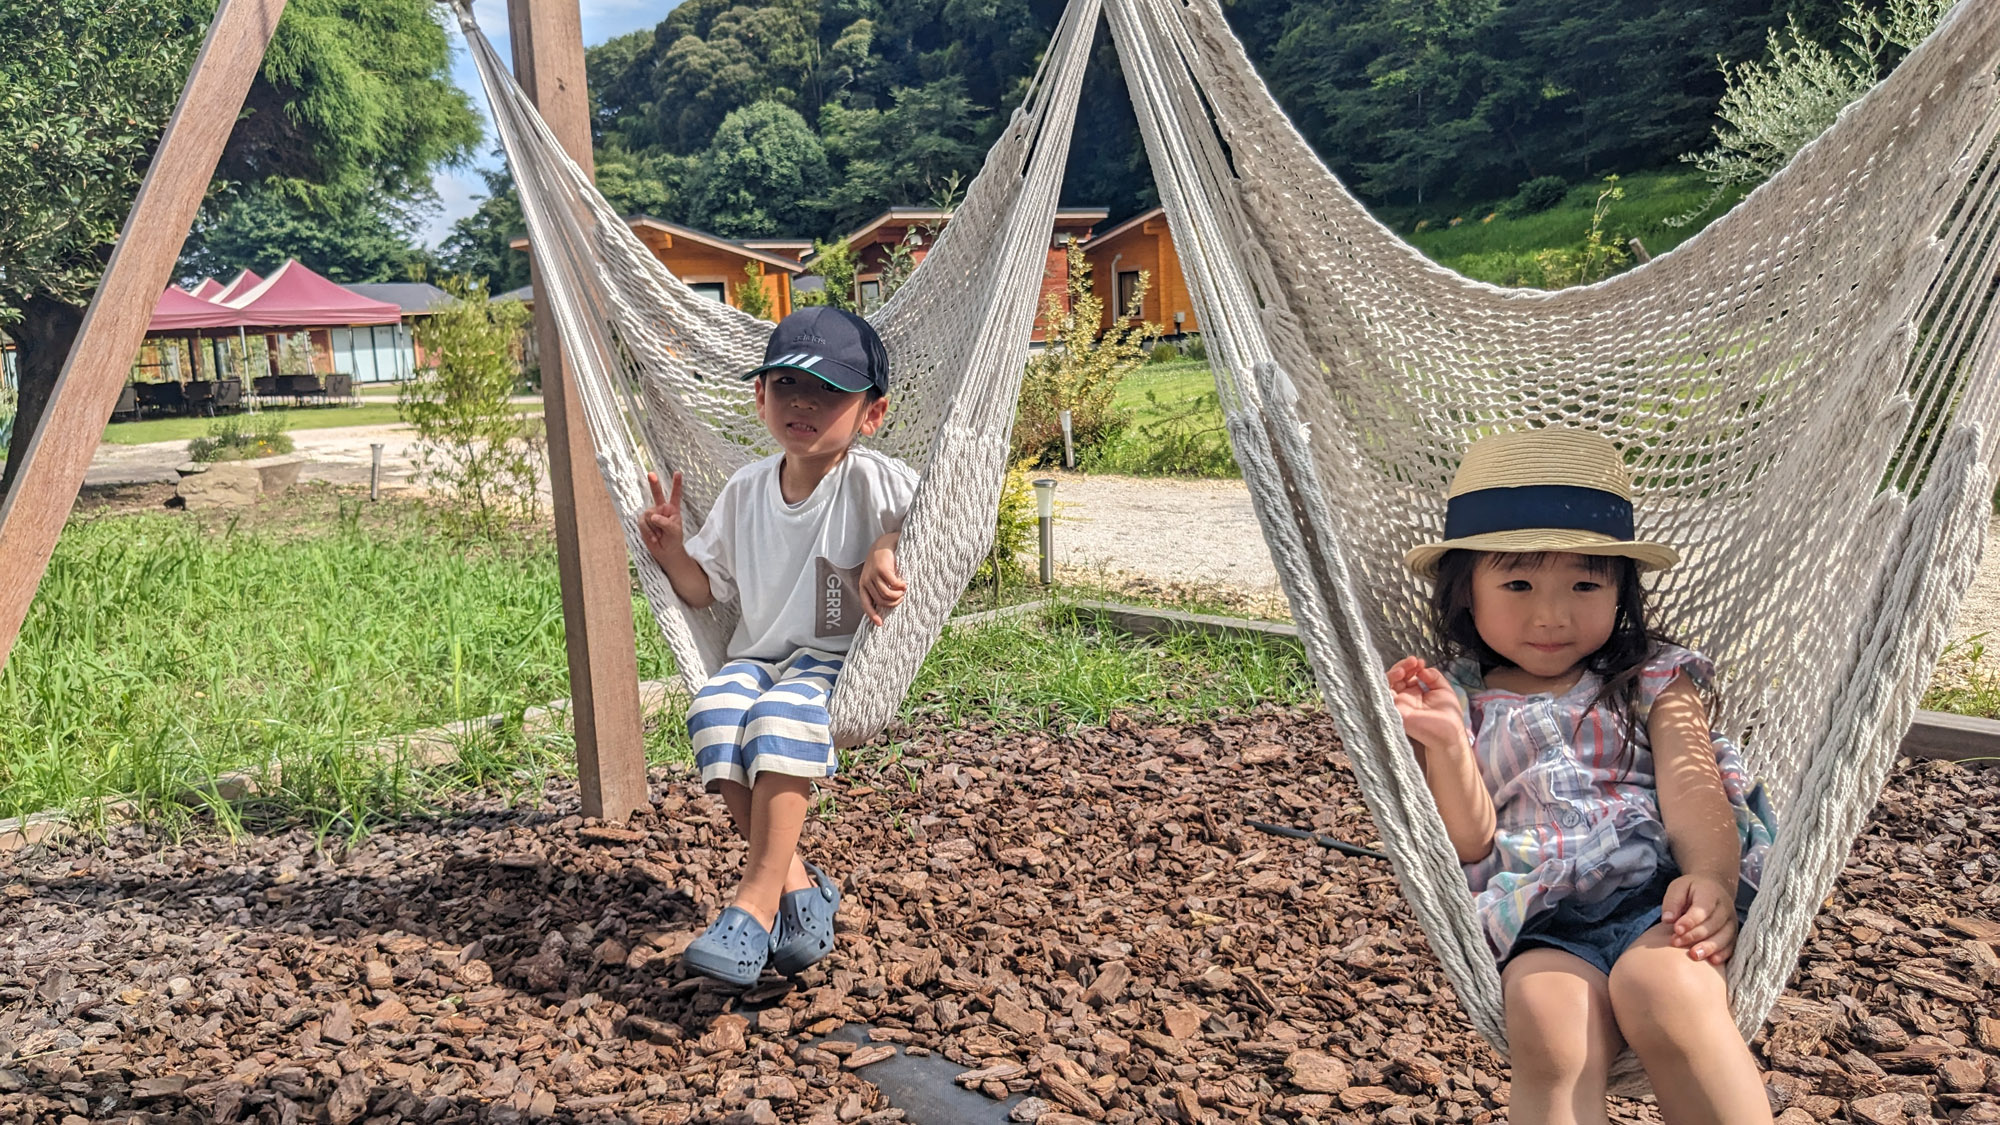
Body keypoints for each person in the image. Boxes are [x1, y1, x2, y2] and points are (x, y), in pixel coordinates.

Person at [1388, 427, 1778, 1125]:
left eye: (1585, 583)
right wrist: (1444, 743)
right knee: (1546, 1021)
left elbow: (1694, 785)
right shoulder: (1456, 696)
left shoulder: (1652, 676)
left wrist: (1712, 878)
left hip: (1656, 890)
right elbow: (1470, 842)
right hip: (1537, 910)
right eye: (1517, 583)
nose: (1552, 615)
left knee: (1669, 992)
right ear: (1466, 589)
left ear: (1620, 589)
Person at [637, 306, 917, 986]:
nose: (804, 403)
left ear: (872, 414)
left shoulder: (873, 479)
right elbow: (703, 590)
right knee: (713, 713)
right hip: (757, 656)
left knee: (777, 719)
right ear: (760, 396)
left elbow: (940, 526)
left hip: (838, 661)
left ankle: (754, 906)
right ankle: (799, 888)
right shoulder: (745, 489)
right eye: (788, 384)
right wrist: (671, 551)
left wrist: (885, 545)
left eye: (828, 390)